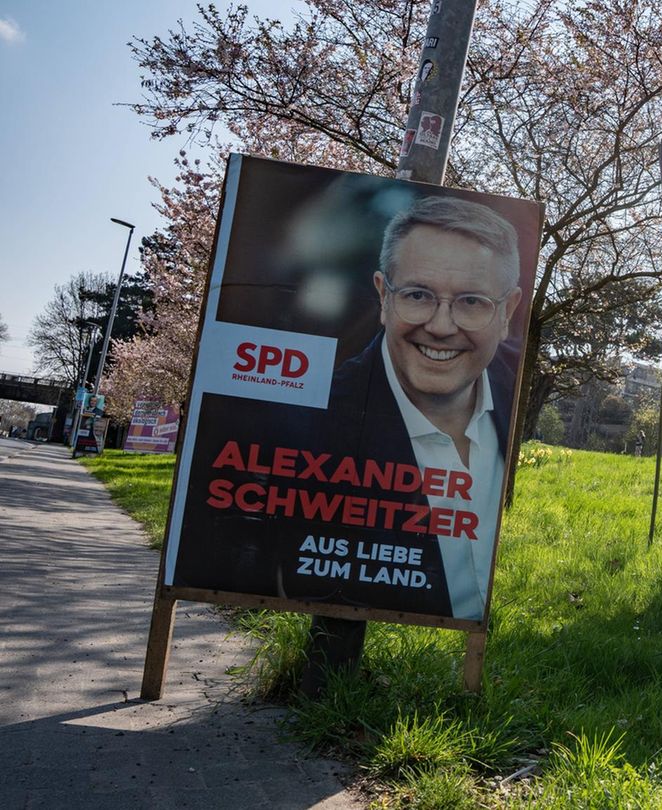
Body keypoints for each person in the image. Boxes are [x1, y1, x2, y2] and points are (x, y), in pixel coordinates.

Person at [174, 195, 525, 621]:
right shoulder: (305, 427)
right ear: (383, 296)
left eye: (472, 302)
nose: (440, 325)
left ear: (507, 312)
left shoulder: (513, 383)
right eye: (417, 294)